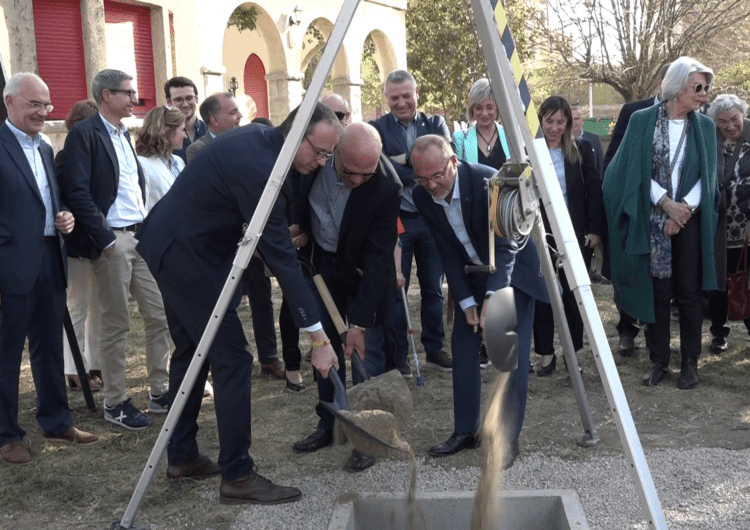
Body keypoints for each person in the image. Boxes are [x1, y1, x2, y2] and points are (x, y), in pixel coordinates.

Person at [135, 102, 341, 504]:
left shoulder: (264, 142)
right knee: (231, 358)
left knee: (193, 351)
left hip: (177, 245)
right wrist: (318, 337)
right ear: (297, 134)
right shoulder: (262, 167)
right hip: (185, 253)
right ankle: (238, 474)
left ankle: (181, 455)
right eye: (318, 152)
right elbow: (280, 258)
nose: (320, 162)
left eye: (327, 156)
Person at [410, 135, 547, 466]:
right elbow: (446, 249)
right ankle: (465, 431)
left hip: (513, 273)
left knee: (505, 352)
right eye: (422, 178)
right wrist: (467, 301)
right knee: (463, 346)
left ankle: (506, 439)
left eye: (437, 176)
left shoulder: (490, 183)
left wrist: (491, 297)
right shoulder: (421, 195)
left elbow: (506, 247)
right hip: (472, 272)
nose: (431, 185)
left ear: (453, 162)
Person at [62, 69, 172, 430]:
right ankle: (116, 401)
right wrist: (105, 238)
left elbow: (130, 186)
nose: (135, 99)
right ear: (107, 95)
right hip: (113, 239)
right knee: (116, 322)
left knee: (159, 314)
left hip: (141, 236)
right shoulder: (84, 134)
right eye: (129, 93)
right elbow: (77, 191)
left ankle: (160, 391)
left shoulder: (125, 134)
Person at [291, 123, 402, 472]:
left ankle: (368, 435)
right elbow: (296, 202)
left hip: (362, 275)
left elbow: (379, 257)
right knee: (324, 349)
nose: (356, 180)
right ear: (334, 153)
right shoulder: (313, 165)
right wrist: (299, 231)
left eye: (364, 175)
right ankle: (329, 423)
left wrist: (359, 323)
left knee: (365, 355)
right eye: (349, 173)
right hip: (321, 267)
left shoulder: (387, 186)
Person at [603, 56, 719, 390]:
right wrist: (665, 204)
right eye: (697, 88)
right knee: (657, 292)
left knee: (689, 293)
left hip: (690, 220)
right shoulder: (642, 121)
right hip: (651, 219)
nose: (703, 95)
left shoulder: (705, 126)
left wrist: (683, 210)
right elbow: (629, 170)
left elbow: (708, 177)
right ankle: (659, 361)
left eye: (705, 88)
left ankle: (689, 363)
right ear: (676, 87)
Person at [0, 73, 99, 465]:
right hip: (10, 264)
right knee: (6, 353)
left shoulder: (43, 148)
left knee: (48, 347)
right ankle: (7, 435)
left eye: (47, 105)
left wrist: (65, 219)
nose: (43, 112)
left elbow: (46, 202)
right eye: (34, 104)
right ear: (9, 102)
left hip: (49, 257)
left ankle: (57, 420)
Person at [371, 69, 452, 376]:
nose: (401, 102)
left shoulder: (436, 124)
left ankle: (435, 349)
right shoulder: (375, 129)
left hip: (432, 220)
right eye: (395, 98)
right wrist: (419, 168)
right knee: (396, 291)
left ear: (417, 93)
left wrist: (400, 160)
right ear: (387, 98)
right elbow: (382, 171)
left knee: (434, 288)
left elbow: (444, 164)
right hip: (398, 224)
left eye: (407, 95)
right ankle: (399, 356)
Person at [532, 95, 605, 376]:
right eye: (549, 121)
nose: (553, 127)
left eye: (560, 122)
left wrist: (595, 229)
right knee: (544, 295)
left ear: (568, 123)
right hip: (541, 233)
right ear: (541, 120)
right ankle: (546, 354)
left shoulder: (582, 149)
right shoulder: (531, 150)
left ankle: (572, 353)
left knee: (574, 296)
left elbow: (594, 192)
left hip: (575, 232)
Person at [603, 63, 670, 357]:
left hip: (671, 213)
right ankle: (627, 329)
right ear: (660, 82)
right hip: (635, 205)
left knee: (662, 279)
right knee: (630, 268)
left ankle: (659, 340)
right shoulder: (634, 112)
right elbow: (614, 159)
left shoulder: (694, 116)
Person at [453, 77, 510, 369]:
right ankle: (481, 346)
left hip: (507, 217)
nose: (484, 113)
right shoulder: (461, 139)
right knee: (479, 276)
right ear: (471, 110)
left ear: (498, 108)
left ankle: (504, 339)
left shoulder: (509, 135)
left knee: (504, 278)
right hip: (474, 219)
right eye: (478, 108)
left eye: (489, 107)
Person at [55, 99, 103, 392]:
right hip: (76, 245)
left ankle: (94, 363)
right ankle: (73, 368)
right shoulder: (64, 157)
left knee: (97, 306)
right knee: (77, 305)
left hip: (97, 245)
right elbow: (68, 202)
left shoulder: (98, 157)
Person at [707, 94, 750, 353]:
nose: (730, 126)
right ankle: (718, 333)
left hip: (746, 226)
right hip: (718, 227)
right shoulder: (711, 139)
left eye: (734, 119)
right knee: (719, 282)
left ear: (742, 114)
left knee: (745, 279)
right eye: (723, 122)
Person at [135, 106, 186, 210]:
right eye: (182, 130)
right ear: (168, 132)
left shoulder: (179, 161)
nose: (185, 135)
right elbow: (142, 207)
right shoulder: (142, 164)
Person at [185, 92, 243, 163]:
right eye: (233, 112)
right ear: (214, 120)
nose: (240, 115)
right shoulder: (198, 149)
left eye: (238, 110)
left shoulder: (246, 141)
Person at [165, 76, 207, 162]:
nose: (185, 104)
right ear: (169, 102)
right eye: (178, 99)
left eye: (189, 98)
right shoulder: (163, 136)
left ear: (196, 98)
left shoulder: (210, 131)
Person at [571, 106, 604, 176]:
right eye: (570, 119)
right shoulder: (560, 140)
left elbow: (600, 166)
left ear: (582, 120)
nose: (573, 122)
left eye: (576, 119)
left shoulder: (594, 139)